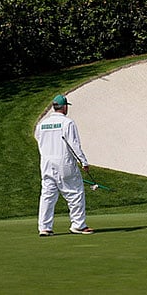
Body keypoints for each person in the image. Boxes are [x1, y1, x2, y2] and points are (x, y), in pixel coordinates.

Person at [34, 94, 94, 236]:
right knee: (75, 193)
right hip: (64, 162)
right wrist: (83, 161)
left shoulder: (42, 124)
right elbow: (74, 144)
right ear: (65, 107)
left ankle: (44, 227)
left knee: (48, 195)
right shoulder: (68, 123)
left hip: (46, 163)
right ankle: (78, 225)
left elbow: (40, 141)